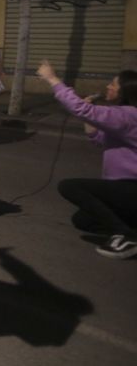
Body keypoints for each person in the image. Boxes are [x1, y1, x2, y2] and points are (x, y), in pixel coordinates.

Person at [38, 61, 137, 259]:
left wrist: (52, 78)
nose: (108, 87)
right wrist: (88, 118)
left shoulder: (127, 115)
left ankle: (127, 236)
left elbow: (80, 109)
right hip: (123, 189)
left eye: (114, 85)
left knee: (70, 187)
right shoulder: (125, 116)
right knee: (83, 220)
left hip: (130, 188)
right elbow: (98, 138)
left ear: (125, 91)